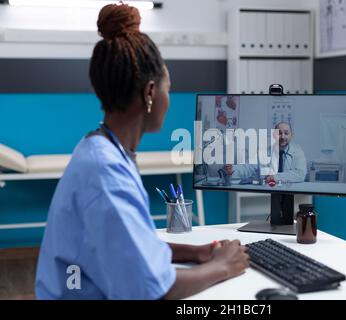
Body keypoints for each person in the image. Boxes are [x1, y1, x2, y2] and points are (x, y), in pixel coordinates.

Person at [35, 3, 249, 300]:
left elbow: (130, 246)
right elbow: (152, 291)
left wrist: (196, 253)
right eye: (168, 89)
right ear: (150, 93)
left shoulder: (100, 147)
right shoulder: (106, 174)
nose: (168, 99)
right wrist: (222, 266)